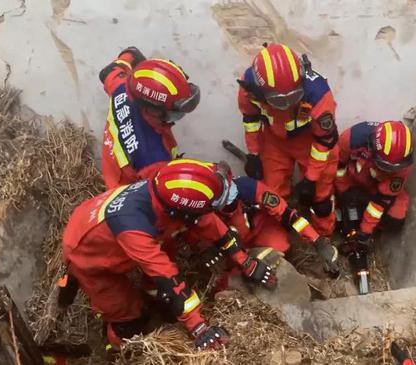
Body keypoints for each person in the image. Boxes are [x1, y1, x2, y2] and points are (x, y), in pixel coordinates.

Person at [61, 159, 276, 351]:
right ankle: (117, 349)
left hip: (101, 223)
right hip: (87, 255)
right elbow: (167, 277)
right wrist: (198, 326)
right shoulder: (133, 227)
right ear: (183, 212)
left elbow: (209, 223)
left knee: (156, 283)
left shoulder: (172, 192)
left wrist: (245, 261)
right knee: (130, 318)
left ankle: (149, 297)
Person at [236, 43, 339, 235]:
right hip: (274, 142)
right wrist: (254, 154)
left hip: (311, 143)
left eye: (292, 97)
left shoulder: (318, 92)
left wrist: (311, 177)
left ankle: (325, 236)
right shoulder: (248, 87)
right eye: (279, 100)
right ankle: (279, 238)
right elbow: (250, 120)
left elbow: (325, 141)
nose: (286, 104)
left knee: (321, 198)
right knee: (272, 193)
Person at [99, 47, 201, 188]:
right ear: (151, 109)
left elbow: (110, 71)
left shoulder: (123, 88)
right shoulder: (154, 160)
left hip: (112, 159)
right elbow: (160, 196)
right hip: (122, 185)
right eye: (174, 112)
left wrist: (147, 71)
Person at [204, 175, 339, 275]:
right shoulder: (203, 209)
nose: (230, 206)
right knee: (235, 273)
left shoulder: (249, 188)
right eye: (226, 205)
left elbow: (288, 215)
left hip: (261, 227)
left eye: (232, 201)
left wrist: (317, 240)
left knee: (279, 246)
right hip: (231, 240)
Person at [334, 120, 413, 248]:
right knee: (344, 201)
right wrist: (342, 191)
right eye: (384, 165)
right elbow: (338, 166)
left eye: (392, 168)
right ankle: (350, 214)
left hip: (379, 190)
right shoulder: (352, 139)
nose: (387, 171)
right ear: (372, 147)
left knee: (395, 220)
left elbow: (381, 201)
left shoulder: (403, 164)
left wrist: (365, 231)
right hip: (354, 179)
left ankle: (361, 220)